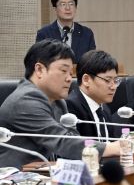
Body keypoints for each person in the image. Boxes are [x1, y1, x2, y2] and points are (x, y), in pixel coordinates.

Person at [0, 40, 121, 169]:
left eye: (70, 73)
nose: (69, 79)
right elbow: (62, 141)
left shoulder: (58, 102)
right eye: (63, 71)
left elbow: (73, 139)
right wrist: (112, 147)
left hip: (44, 173)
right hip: (14, 177)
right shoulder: (25, 100)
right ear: (39, 70)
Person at [66, 50, 121, 139]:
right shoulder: (71, 107)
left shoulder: (104, 108)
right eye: (108, 80)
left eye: (115, 81)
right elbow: (79, 145)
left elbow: (111, 142)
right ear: (86, 80)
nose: (114, 87)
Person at [36, 0, 96, 64]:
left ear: (75, 8)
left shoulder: (87, 33)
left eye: (71, 4)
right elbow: (40, 61)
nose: (68, 8)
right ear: (55, 9)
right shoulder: (44, 34)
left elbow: (92, 63)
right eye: (63, 4)